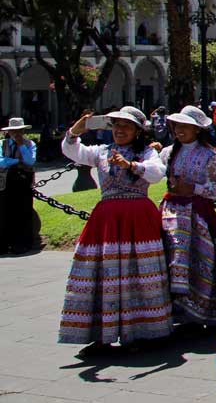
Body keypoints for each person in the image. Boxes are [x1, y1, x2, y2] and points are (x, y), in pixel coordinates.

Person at [59, 107, 172, 350]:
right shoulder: (101, 152)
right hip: (107, 219)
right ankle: (102, 333)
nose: (120, 131)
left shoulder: (146, 152)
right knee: (102, 273)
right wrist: (75, 131)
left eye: (126, 127)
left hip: (137, 218)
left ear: (137, 131)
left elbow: (156, 173)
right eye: (116, 126)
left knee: (139, 272)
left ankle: (142, 331)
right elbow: (73, 151)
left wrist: (131, 165)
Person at [156, 105, 216, 325]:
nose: (180, 130)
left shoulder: (208, 154)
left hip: (197, 214)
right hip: (171, 212)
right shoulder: (167, 152)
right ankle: (175, 308)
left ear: (197, 129)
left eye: (186, 126)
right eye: (178, 125)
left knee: (199, 258)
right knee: (172, 257)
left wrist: (193, 188)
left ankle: (199, 308)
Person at [1, 117, 38, 254]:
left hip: (23, 183)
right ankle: (4, 244)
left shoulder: (30, 144)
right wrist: (16, 160)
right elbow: (1, 161)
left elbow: (29, 161)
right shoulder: (2, 144)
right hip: (5, 183)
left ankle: (22, 243)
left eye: (19, 131)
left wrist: (21, 145)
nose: (16, 134)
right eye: (13, 131)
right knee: (5, 213)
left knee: (23, 212)